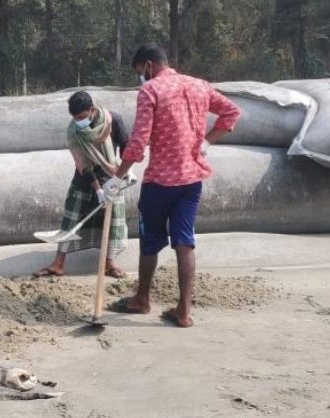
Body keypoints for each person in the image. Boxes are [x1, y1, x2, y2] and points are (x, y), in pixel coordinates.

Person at [103, 43, 241, 327]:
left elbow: (138, 142)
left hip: (160, 182)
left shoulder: (150, 90)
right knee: (185, 242)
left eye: (140, 72)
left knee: (150, 241)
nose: (141, 77)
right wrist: (207, 142)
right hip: (191, 181)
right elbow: (231, 113)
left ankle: (142, 300)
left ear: (148, 66)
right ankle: (184, 312)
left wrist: (117, 177)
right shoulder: (199, 86)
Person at [35, 91, 132, 278]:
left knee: (110, 222)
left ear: (91, 109)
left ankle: (108, 263)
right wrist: (97, 189)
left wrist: (124, 171)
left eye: (81, 117)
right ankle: (58, 264)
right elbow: (83, 165)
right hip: (84, 179)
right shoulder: (74, 131)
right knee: (71, 219)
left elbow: (126, 144)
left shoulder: (113, 120)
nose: (78, 121)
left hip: (112, 179)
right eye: (74, 117)